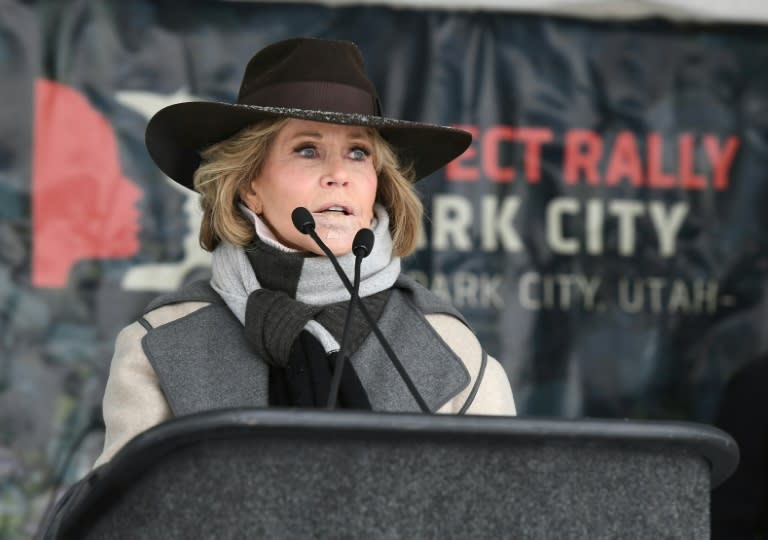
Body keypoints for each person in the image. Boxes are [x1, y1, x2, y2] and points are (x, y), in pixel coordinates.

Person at [93, 36, 516, 468]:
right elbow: (120, 518)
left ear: (377, 181)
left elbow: (505, 513)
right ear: (249, 185)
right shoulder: (162, 342)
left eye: (358, 152)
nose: (338, 175)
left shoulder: (447, 345)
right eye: (307, 150)